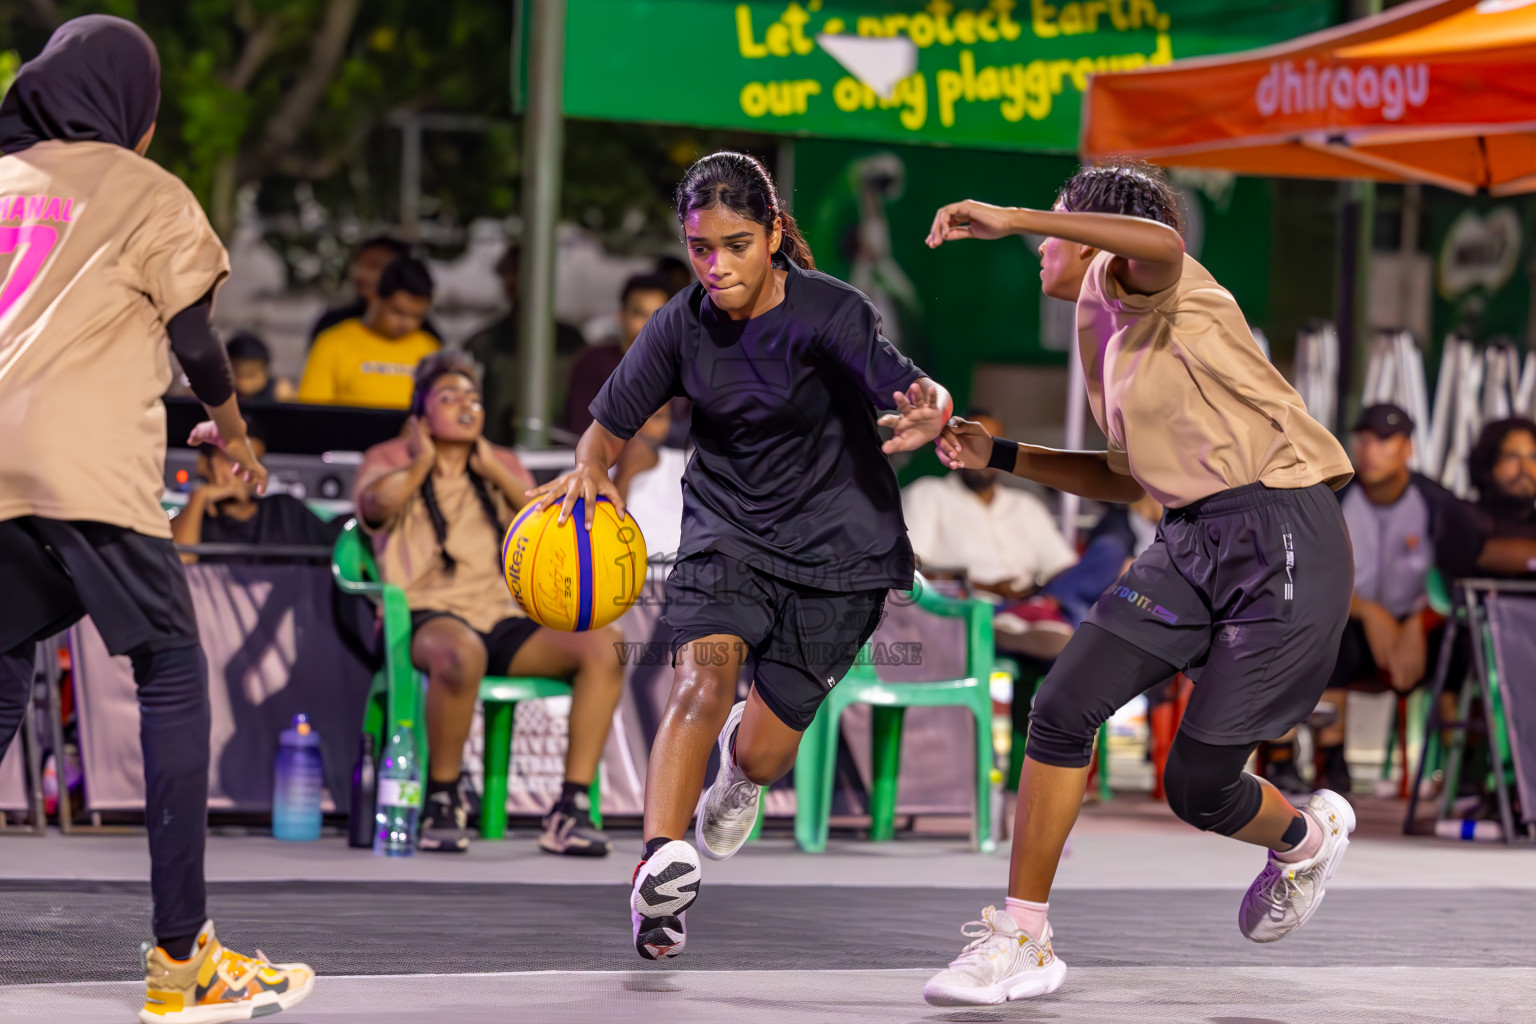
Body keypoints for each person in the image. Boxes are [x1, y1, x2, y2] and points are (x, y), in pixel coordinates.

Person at [919, 160, 1357, 1006]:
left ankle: (1305, 837)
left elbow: (1157, 236)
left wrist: (1008, 215)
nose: (1042, 240)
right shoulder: (1099, 325)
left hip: (1283, 529)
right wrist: (999, 454)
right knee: (1061, 705)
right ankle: (1022, 937)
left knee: (1198, 787)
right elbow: (1129, 477)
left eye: (1057, 225)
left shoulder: (1164, 282)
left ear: (1093, 235)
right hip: (1188, 538)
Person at [528, 150, 953, 962]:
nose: (716, 265)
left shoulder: (834, 312)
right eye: (699, 247)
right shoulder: (681, 323)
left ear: (774, 235)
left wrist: (933, 409)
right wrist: (588, 463)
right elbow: (609, 424)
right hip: (729, 533)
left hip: (842, 551)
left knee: (761, 750)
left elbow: (912, 391)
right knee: (698, 676)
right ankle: (658, 875)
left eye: (736, 244)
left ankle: (737, 772)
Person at [0, 16, 313, 1021]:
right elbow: (196, 342)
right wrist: (233, 433)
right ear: (130, 110)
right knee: (171, 668)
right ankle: (184, 958)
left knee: (1, 676)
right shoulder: (150, 190)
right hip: (82, 459)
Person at [353, 352, 624, 855]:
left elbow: (549, 520)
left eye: (473, 399)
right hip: (425, 616)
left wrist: (491, 469)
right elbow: (374, 507)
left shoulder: (501, 463)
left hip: (502, 617)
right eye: (449, 397)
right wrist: (422, 462)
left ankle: (570, 807)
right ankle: (442, 798)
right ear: (419, 413)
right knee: (461, 654)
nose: (465, 407)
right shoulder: (389, 457)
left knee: (605, 648)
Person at [1268, 404, 1480, 795]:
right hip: (1353, 623)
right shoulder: (1332, 500)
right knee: (1324, 639)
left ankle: (1462, 764)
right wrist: (1370, 613)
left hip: (1420, 628)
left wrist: (1419, 622)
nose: (1370, 450)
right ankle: (1330, 758)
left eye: (1384, 441)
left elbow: (1458, 581)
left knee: (1462, 648)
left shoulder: (1437, 504)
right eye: (1364, 440)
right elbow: (1310, 578)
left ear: (1406, 449)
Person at [901, 411, 1079, 658]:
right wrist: (986, 587)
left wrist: (1046, 594)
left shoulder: (1026, 505)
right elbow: (909, 568)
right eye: (970, 443)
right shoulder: (929, 494)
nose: (981, 455)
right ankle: (1007, 625)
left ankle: (1033, 620)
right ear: (952, 447)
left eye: (992, 445)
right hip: (963, 608)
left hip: (1031, 605)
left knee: (1104, 559)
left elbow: (1063, 568)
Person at [464, 244, 587, 445]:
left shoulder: (572, 342)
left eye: (522, 273)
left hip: (562, 452)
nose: (514, 281)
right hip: (495, 451)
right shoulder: (483, 342)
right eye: (508, 274)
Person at [171, 420, 340, 564]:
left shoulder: (286, 511)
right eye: (233, 460)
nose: (246, 470)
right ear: (204, 464)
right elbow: (180, 562)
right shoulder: (194, 520)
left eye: (254, 462)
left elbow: (342, 549)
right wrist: (199, 496)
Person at [298, 255, 441, 409]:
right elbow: (311, 413)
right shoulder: (332, 343)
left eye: (417, 316)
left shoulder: (430, 349)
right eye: (399, 313)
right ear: (375, 296)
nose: (407, 324)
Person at [560, 273, 674, 436]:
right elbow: (582, 431)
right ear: (621, 315)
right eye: (639, 314)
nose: (649, 325)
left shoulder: (683, 366)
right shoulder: (593, 363)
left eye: (658, 315)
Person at [308, 235, 440, 345]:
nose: (361, 274)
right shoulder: (331, 325)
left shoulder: (425, 337)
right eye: (359, 264)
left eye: (375, 266)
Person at [1466, 417, 1536, 575]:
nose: (1525, 469)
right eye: (1512, 456)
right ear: (1488, 465)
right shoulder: (1466, 518)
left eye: (1533, 457)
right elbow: (1477, 554)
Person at [225, 331, 294, 403]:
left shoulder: (279, 392)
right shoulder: (219, 394)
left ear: (266, 371)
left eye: (251, 375)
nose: (243, 383)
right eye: (236, 374)